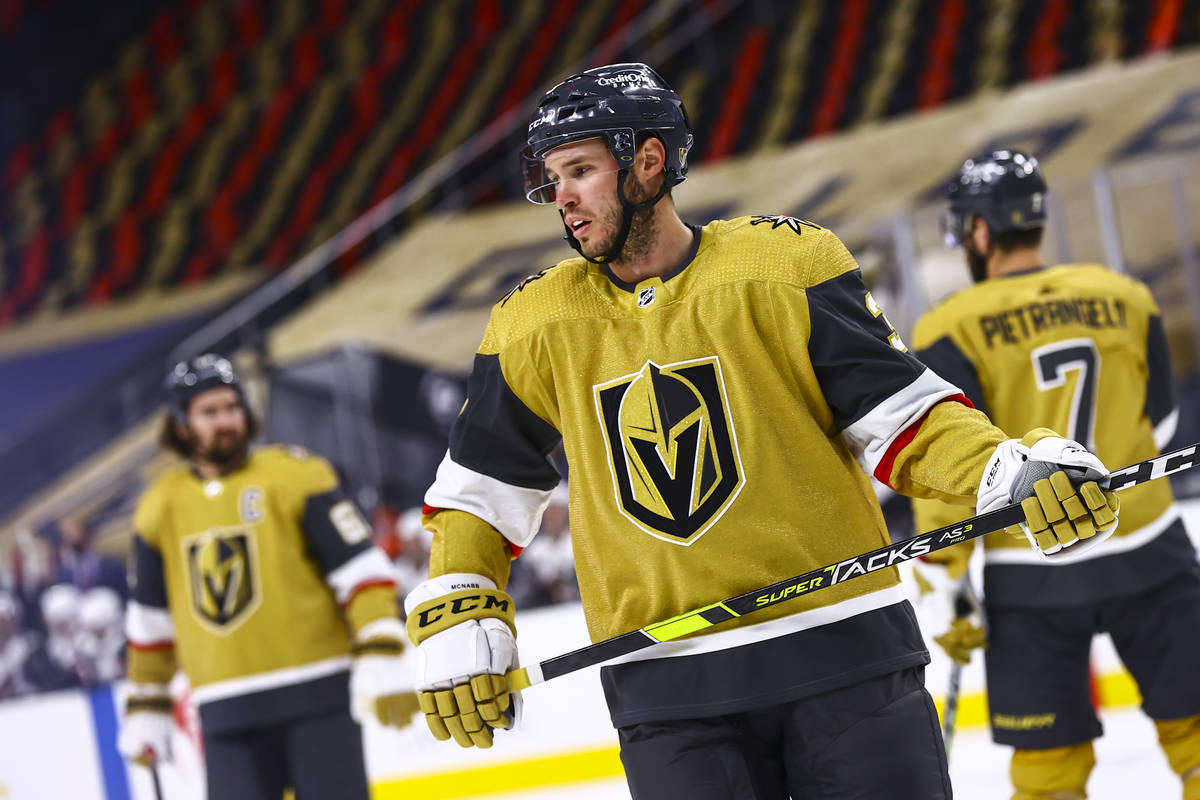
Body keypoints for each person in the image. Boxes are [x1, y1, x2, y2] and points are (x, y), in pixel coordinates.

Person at [401, 64, 1121, 799]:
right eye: (554, 178)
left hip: (847, 657)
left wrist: (1005, 469)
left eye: (580, 170)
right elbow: (481, 491)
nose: (563, 198)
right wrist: (463, 596)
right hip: (668, 693)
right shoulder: (531, 324)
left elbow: (906, 419)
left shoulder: (785, 265)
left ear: (648, 162)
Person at [910, 149, 1200, 800]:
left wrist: (947, 579)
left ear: (979, 231)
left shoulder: (949, 325)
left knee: (1048, 778)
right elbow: (1166, 425)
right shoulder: (1124, 295)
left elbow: (949, 465)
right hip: (1151, 550)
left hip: (1031, 573)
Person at [118, 354, 416, 800]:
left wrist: (380, 645)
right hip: (224, 709)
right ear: (181, 426)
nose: (226, 421)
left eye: (232, 407)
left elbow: (362, 573)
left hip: (320, 696)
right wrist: (148, 703)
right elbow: (151, 621)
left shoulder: (296, 475)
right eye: (210, 412)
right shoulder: (157, 509)